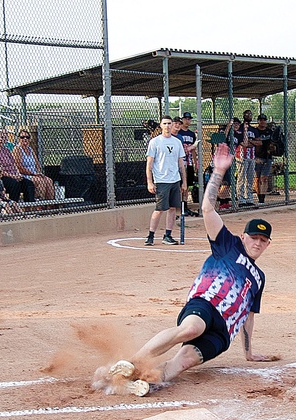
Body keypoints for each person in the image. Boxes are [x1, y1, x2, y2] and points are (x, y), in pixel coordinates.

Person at [96, 142, 278, 397]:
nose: (257, 243)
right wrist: (219, 171)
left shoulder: (259, 277)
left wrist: (248, 352)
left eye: (263, 241)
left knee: (182, 363)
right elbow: (207, 208)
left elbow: (249, 315)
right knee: (191, 329)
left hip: (223, 333)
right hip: (206, 305)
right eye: (254, 238)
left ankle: (145, 381)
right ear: (244, 236)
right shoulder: (228, 244)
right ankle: (131, 363)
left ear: (267, 244)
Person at [144, 115, 187, 246]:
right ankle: (151, 235)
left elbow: (181, 164)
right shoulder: (155, 142)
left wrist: (184, 182)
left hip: (175, 179)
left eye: (169, 123)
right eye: (165, 124)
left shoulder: (177, 142)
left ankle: (167, 235)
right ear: (161, 125)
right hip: (162, 180)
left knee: (173, 208)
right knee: (160, 209)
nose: (167, 126)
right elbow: (149, 164)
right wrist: (150, 182)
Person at [0, 129, 35, 204]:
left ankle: (29, 207)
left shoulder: (6, 150)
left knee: (29, 184)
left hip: (13, 174)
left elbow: (13, 164)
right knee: (15, 184)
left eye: (2, 138)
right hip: (0, 176)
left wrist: (17, 174)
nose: (0, 140)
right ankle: (13, 207)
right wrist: (13, 176)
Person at [11, 128, 54, 201]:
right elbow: (19, 167)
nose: (25, 139)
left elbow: (37, 164)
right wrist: (32, 174)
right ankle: (39, 204)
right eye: (22, 137)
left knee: (49, 181)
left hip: (34, 174)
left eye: (27, 137)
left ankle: (49, 205)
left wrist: (38, 173)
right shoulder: (17, 149)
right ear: (19, 138)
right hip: (24, 174)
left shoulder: (30, 149)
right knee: (40, 182)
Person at [177, 112, 199, 213]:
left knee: (187, 184)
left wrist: (196, 163)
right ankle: (179, 204)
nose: (187, 121)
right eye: (185, 119)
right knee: (180, 184)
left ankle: (185, 204)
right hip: (180, 162)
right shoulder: (179, 133)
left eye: (189, 119)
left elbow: (194, 149)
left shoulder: (191, 134)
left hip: (189, 162)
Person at [234, 109, 257, 207]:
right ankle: (241, 199)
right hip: (241, 156)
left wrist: (250, 142)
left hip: (251, 156)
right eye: (247, 114)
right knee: (241, 178)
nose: (249, 116)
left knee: (250, 178)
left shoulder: (253, 129)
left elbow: (259, 142)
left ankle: (249, 198)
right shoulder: (240, 129)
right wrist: (250, 143)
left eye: (250, 114)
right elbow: (243, 143)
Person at [252, 113, 274, 204]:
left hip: (267, 157)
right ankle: (259, 197)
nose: (263, 122)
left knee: (264, 178)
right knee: (257, 179)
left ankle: (262, 199)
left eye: (264, 120)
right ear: (258, 121)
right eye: (261, 120)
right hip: (257, 157)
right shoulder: (255, 131)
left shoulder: (269, 131)